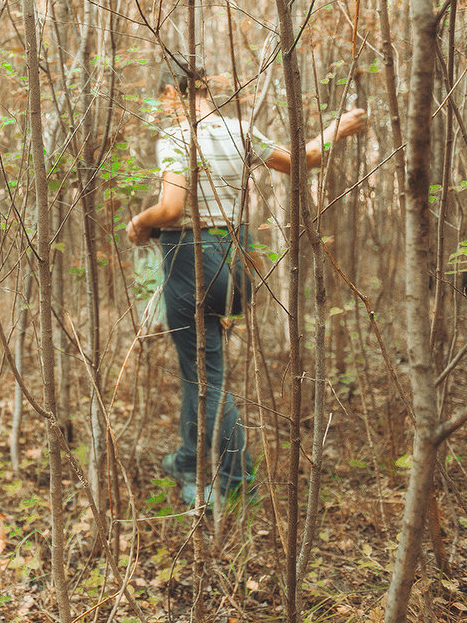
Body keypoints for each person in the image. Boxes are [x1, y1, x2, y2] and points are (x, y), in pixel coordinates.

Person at [126, 61, 367, 506]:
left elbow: (172, 208)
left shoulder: (178, 138)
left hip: (192, 260)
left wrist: (140, 222)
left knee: (205, 378)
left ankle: (235, 481)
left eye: (161, 101)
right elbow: (303, 160)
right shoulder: (239, 130)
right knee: (200, 369)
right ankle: (186, 458)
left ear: (170, 94)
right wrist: (338, 127)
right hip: (236, 262)